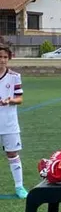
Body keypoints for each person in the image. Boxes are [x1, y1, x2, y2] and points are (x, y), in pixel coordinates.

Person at [0, 43, 27, 199]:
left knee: (12, 154)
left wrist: (10, 100)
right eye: (0, 57)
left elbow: (20, 98)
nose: (2, 60)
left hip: (9, 123)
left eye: (5, 57)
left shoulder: (14, 76)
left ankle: (19, 186)